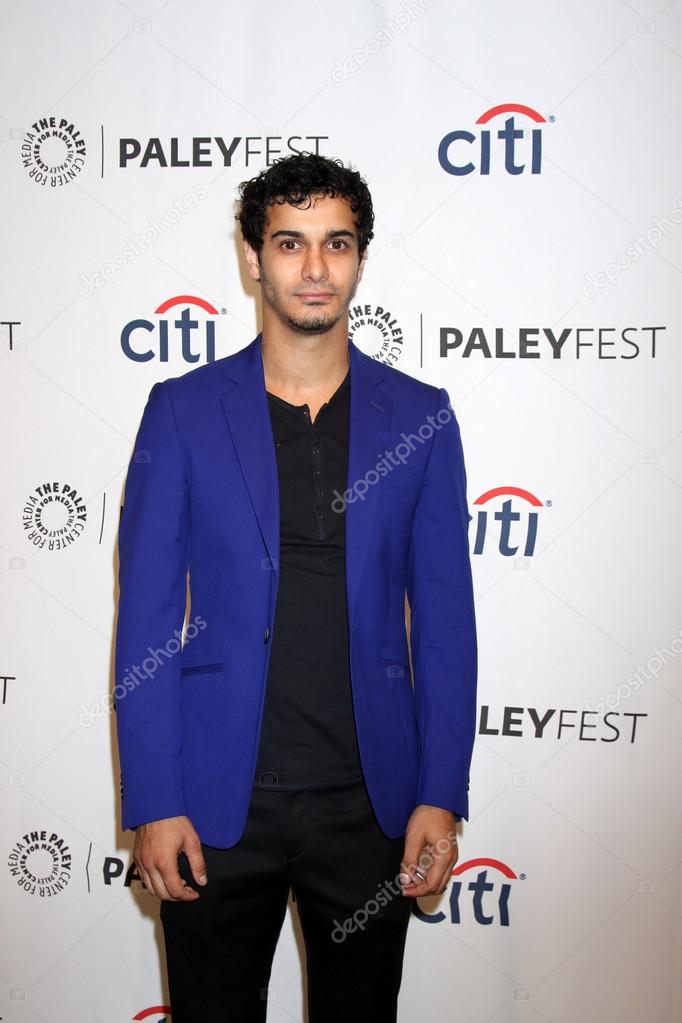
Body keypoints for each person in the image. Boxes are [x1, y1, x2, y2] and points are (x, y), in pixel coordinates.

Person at [114, 152, 478, 1022]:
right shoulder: (183, 409)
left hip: (371, 805)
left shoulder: (420, 417)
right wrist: (155, 803)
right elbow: (148, 617)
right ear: (252, 258)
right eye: (289, 243)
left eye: (336, 244)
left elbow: (447, 621)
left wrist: (441, 792)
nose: (315, 269)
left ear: (358, 258)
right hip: (212, 807)